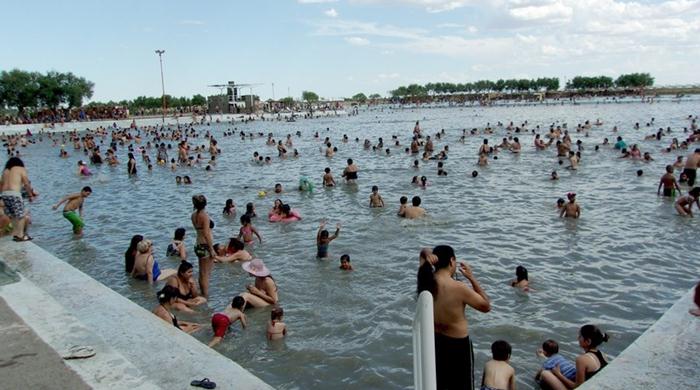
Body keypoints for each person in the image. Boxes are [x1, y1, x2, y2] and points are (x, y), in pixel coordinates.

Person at [417, 246, 490, 390]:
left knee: (440, 383)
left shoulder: (426, 282)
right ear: (452, 261)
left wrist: (427, 253)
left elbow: (422, 253)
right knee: (461, 385)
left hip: (434, 342)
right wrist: (471, 277)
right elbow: (486, 306)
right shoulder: (459, 287)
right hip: (458, 346)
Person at [538, 324, 609, 389]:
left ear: (588, 341)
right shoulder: (603, 355)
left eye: (580, 336)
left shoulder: (582, 359)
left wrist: (558, 374)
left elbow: (577, 387)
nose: (578, 338)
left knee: (545, 373)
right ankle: (544, 357)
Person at [1, 157, 36, 241]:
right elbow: (26, 183)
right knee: (22, 215)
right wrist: (30, 195)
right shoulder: (20, 169)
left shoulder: (5, 171)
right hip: (14, 194)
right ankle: (20, 235)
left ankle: (16, 234)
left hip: (4, 194)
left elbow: (1, 184)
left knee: (13, 216)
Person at [191, 194, 216, 298]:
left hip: (198, 244)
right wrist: (212, 249)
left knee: (201, 272)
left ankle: (202, 292)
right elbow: (206, 233)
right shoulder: (205, 216)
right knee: (206, 273)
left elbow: (200, 231)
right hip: (205, 245)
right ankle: (205, 295)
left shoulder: (193, 215)